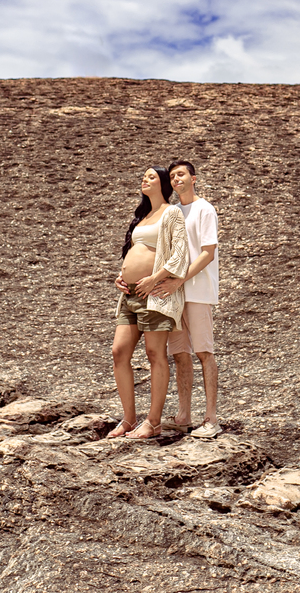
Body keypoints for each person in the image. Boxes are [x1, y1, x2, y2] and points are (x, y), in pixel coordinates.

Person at [107, 167, 190, 440]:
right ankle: (129, 419)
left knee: (155, 355)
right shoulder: (142, 217)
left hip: (155, 295)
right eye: (143, 176)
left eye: (151, 176)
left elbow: (179, 254)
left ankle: (153, 422)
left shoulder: (171, 212)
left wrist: (154, 278)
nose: (145, 179)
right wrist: (122, 276)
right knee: (119, 352)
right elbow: (134, 253)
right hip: (130, 294)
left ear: (163, 183)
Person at [155, 161, 221, 439]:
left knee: (204, 352)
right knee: (179, 354)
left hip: (196, 291)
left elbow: (208, 252)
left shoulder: (205, 209)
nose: (175, 179)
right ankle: (183, 416)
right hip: (174, 294)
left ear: (193, 178)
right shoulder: (172, 212)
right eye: (171, 176)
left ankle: (212, 419)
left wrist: (181, 279)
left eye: (180, 174)